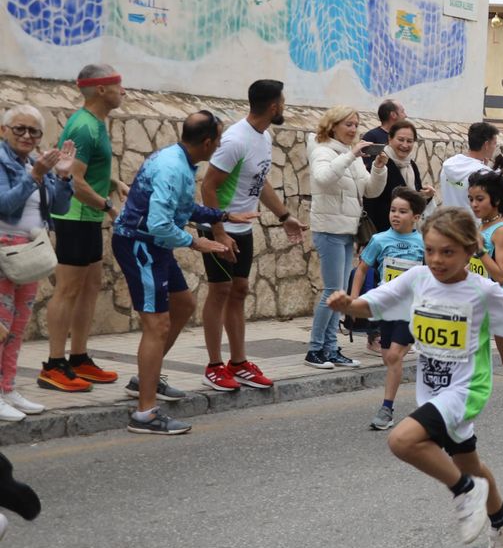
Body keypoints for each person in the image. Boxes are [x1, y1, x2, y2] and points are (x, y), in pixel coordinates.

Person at [325, 207, 503, 548]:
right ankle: (502, 518)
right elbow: (373, 305)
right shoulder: (417, 280)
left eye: (448, 252)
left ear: (468, 250)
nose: (437, 259)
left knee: (402, 441)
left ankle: (464, 491)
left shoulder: (481, 292)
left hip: (467, 389)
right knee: (471, 463)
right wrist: (348, 304)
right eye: (430, 250)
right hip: (432, 390)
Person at [113, 111, 245, 435]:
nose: (219, 144)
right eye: (218, 138)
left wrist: (224, 215)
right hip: (139, 245)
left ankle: (148, 378)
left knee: (183, 305)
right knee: (156, 324)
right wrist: (196, 242)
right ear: (208, 142)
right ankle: (145, 414)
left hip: (155, 244)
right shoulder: (172, 166)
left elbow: (183, 209)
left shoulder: (182, 160)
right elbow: (160, 223)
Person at [198, 80, 306, 394]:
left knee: (240, 289)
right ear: (274, 106)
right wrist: (218, 230)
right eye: (283, 102)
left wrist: (285, 217)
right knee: (219, 291)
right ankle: (214, 366)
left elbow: (261, 182)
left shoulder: (263, 136)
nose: (284, 106)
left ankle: (239, 362)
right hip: (218, 227)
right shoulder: (235, 140)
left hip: (242, 228)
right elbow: (208, 186)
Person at [40, 64, 128, 393]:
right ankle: (53, 364)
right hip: (75, 216)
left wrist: (114, 182)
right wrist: (109, 207)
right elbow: (75, 183)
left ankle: (78, 358)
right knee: (68, 290)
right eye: (119, 86)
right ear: (102, 89)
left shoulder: (95, 123)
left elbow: (89, 170)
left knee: (90, 287)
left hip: (87, 217)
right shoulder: (83, 127)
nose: (124, 91)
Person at [0, 106, 75, 420]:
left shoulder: (34, 162)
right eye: (19, 129)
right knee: (1, 327)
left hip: (30, 253)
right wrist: (35, 176)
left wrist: (63, 174)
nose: (27, 136)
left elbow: (60, 205)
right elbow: (5, 204)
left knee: (17, 327)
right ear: (4, 130)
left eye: (34, 131)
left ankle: (7, 388)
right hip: (4, 252)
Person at [306, 106, 387, 369]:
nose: (353, 129)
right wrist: (352, 154)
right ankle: (315, 349)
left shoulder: (347, 154)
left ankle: (330, 348)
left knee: (339, 293)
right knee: (332, 292)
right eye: (347, 124)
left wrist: (377, 167)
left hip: (346, 230)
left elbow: (371, 190)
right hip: (328, 229)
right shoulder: (322, 150)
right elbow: (324, 178)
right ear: (333, 125)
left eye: (355, 124)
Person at [351, 186, 427, 430]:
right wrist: (354, 299)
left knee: (394, 356)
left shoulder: (424, 242)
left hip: (412, 309)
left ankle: (387, 409)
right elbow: (362, 268)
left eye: (403, 211)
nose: (395, 215)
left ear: (416, 217)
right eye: (393, 210)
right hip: (386, 308)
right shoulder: (379, 239)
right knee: (389, 358)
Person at [363, 118, 434, 236]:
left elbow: (414, 201)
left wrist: (427, 196)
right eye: (400, 140)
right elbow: (370, 198)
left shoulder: (411, 166)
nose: (405, 145)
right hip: (381, 234)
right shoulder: (379, 163)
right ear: (390, 139)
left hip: (405, 233)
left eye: (409, 141)